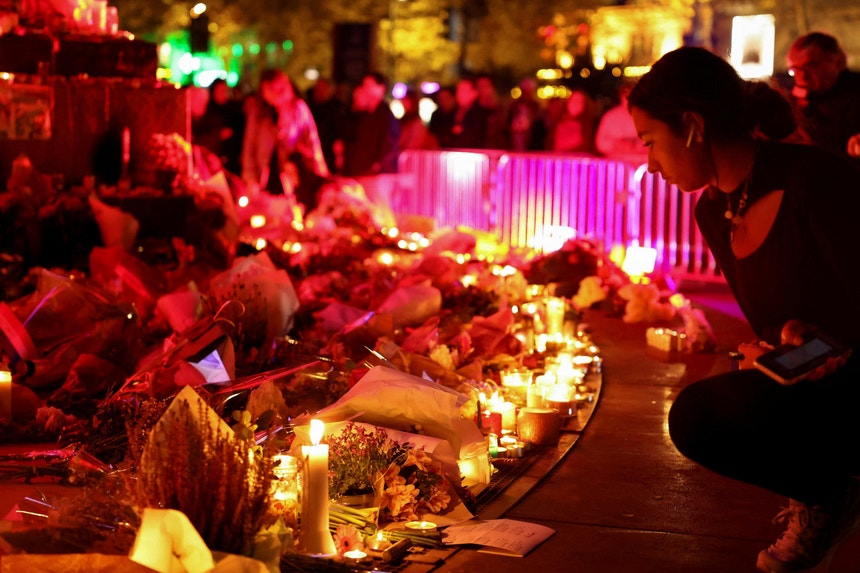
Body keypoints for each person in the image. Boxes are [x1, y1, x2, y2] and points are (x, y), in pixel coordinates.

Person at [628, 46, 860, 573]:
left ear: (691, 125)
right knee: (698, 416)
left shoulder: (815, 181)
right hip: (818, 380)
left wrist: (839, 344)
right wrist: (786, 337)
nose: (650, 164)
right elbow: (782, 319)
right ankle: (829, 495)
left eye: (650, 142)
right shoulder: (715, 209)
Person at [241, 69, 330, 211]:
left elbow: (312, 141)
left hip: (292, 176)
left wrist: (321, 172)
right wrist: (250, 177)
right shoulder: (258, 111)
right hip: (264, 176)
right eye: (267, 89)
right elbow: (249, 146)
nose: (272, 94)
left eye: (276, 89)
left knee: (294, 214)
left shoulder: (298, 108)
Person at [786, 32, 860, 162]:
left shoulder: (855, 96)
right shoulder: (799, 100)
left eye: (811, 66)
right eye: (795, 69)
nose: (802, 76)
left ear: (838, 63)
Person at [338, 72, 400, 225]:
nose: (365, 89)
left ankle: (388, 241)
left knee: (381, 211)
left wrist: (377, 164)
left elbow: (389, 142)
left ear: (381, 88)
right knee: (367, 212)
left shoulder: (384, 114)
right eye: (364, 85)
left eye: (369, 85)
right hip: (363, 170)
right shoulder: (363, 114)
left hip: (377, 172)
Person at [594, 80, 647, 165]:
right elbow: (600, 142)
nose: (629, 100)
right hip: (616, 167)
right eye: (627, 97)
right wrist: (616, 144)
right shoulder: (610, 117)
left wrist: (635, 146)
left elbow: (654, 141)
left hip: (642, 165)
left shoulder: (647, 117)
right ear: (621, 97)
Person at [437, 76, 491, 150]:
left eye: (463, 91)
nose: (459, 94)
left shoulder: (479, 115)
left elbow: (472, 138)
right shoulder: (452, 112)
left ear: (474, 93)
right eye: (458, 90)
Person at [546, 88, 596, 154]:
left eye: (579, 101)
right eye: (572, 100)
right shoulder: (558, 121)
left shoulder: (587, 126)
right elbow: (550, 143)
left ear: (584, 105)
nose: (575, 104)